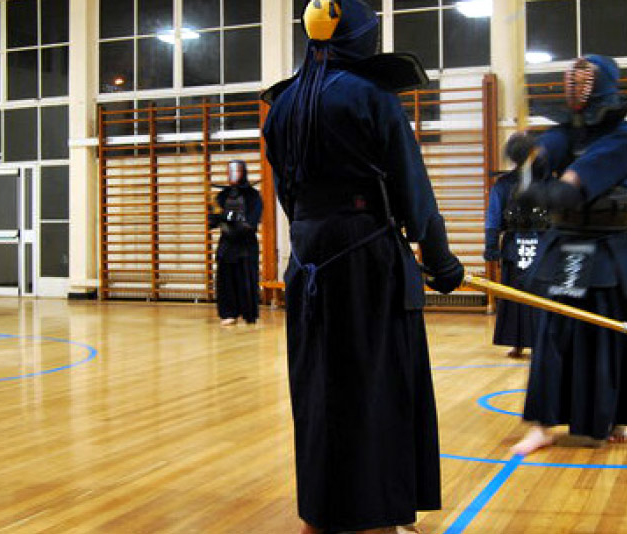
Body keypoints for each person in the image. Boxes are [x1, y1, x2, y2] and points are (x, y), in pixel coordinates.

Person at [262, 1, 464, 532]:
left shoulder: (283, 105)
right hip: (366, 260)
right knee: (379, 383)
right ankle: (378, 517)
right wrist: (441, 262)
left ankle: (323, 511)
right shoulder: (372, 98)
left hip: (307, 259)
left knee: (319, 387)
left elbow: (289, 193)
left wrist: (316, 232)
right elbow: (413, 192)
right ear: (361, 37)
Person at [511, 55, 627, 455]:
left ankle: (617, 416)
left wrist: (538, 191)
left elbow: (568, 189)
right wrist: (525, 153)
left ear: (603, 85)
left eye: (585, 80)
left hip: (609, 248)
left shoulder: (621, 139)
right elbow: (541, 156)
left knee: (612, 333)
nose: (576, 86)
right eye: (571, 79)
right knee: (553, 332)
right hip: (567, 243)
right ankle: (543, 424)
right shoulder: (565, 133)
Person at [484, 133, 549, 358]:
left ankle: (519, 342)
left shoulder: (504, 184)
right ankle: (535, 342)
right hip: (537, 246)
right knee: (532, 293)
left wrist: (491, 245)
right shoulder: (544, 181)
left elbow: (493, 219)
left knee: (516, 293)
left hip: (523, 245)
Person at [209, 160, 262, 326]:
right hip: (227, 244)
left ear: (243, 172)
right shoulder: (221, 196)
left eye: (237, 170)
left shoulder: (253, 196)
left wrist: (231, 218)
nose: (233, 174)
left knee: (245, 279)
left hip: (245, 244)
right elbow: (212, 222)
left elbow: (252, 222)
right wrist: (217, 215)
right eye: (230, 170)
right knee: (226, 279)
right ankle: (228, 312)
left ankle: (248, 313)